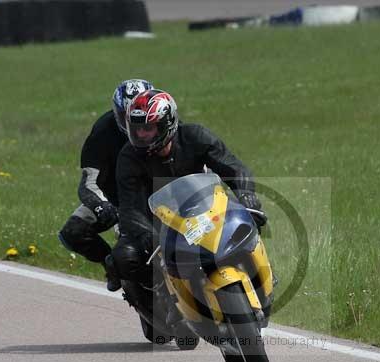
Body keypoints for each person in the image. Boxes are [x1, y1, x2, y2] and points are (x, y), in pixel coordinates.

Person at [112, 89, 266, 299]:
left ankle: (262, 276)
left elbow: (233, 167)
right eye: (137, 129)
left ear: (167, 122)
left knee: (249, 218)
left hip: (208, 206)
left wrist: (246, 192)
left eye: (148, 128)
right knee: (125, 257)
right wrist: (146, 235)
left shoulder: (195, 136)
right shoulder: (128, 158)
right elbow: (130, 206)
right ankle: (161, 303)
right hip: (160, 222)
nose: (141, 135)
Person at [58, 79, 153, 292]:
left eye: (140, 115)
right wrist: (104, 206)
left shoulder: (165, 122)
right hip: (116, 198)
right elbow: (88, 182)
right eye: (126, 115)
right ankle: (110, 263)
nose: (133, 123)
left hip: (157, 193)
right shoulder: (103, 131)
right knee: (72, 232)